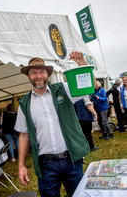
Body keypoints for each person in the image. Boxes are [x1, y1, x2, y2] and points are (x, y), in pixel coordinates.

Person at [14, 51, 95, 197]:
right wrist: (21, 165)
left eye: (42, 72)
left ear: (48, 74)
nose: (38, 76)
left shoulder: (63, 89)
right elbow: (24, 135)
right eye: (34, 73)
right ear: (28, 76)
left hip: (72, 159)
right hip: (46, 165)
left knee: (79, 194)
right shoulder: (24, 104)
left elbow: (91, 85)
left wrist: (81, 62)